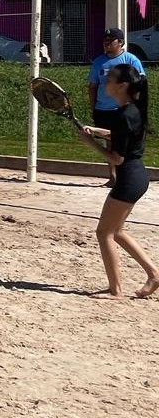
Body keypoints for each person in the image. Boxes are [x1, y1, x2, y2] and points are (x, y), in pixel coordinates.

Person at [77, 63, 159, 300]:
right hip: (137, 177)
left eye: (110, 78)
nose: (106, 81)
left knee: (104, 233)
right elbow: (121, 136)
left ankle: (116, 290)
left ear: (122, 85)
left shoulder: (124, 115)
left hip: (128, 180)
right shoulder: (132, 110)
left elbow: (116, 159)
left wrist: (90, 143)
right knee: (117, 231)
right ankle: (154, 274)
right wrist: (97, 131)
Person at [88, 28, 145, 187]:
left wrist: (136, 106)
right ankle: (112, 177)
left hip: (123, 110)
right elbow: (93, 86)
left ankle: (125, 175)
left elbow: (140, 84)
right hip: (103, 109)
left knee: (123, 143)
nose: (106, 43)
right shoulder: (99, 61)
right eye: (104, 40)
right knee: (110, 143)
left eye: (110, 40)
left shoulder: (131, 60)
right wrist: (94, 108)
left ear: (120, 42)